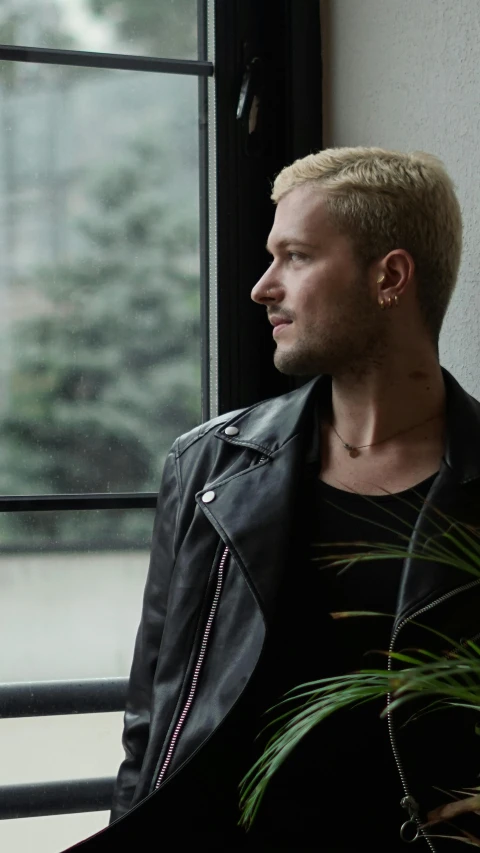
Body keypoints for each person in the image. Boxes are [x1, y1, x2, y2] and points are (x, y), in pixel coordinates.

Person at [72, 147, 480, 852]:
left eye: (295, 256)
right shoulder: (207, 465)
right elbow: (151, 726)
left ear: (390, 276)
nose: (263, 286)